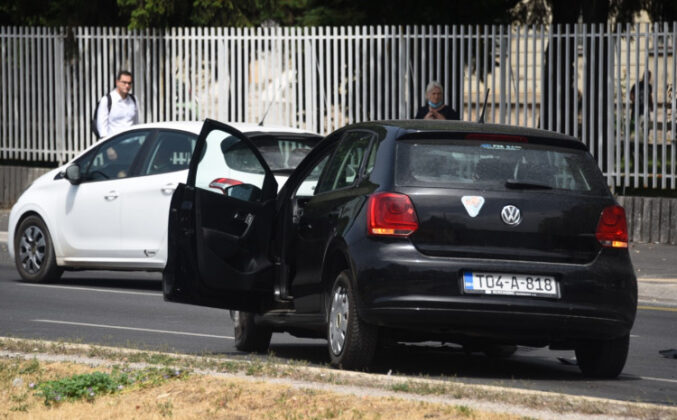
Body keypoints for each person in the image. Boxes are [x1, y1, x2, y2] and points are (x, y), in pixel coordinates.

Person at [96, 70, 139, 138]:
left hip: (133, 142)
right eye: (124, 82)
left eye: (129, 83)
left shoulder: (133, 99)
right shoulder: (107, 100)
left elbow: (136, 123)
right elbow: (102, 128)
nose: (127, 86)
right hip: (115, 143)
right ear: (117, 82)